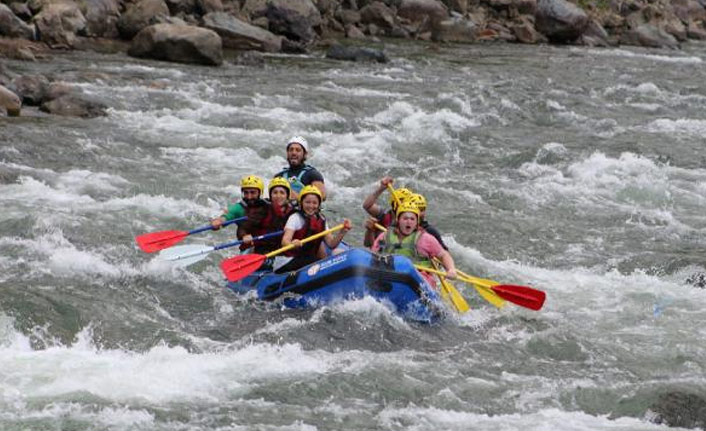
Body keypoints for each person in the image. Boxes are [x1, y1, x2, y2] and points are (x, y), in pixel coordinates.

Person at [371, 202, 457, 288]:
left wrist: (451, 269)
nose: (409, 222)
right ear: (398, 220)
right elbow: (373, 255)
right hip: (391, 277)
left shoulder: (426, 239)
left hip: (417, 280)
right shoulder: (384, 236)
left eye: (412, 219)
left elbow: (444, 255)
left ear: (417, 222)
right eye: (405, 218)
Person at [277, 185, 352, 273]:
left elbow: (331, 244)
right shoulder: (295, 218)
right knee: (315, 261)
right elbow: (285, 241)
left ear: (319, 204)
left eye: (314, 203)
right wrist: (292, 243)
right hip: (289, 260)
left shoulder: (321, 219)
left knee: (316, 260)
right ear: (301, 203)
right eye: (307, 202)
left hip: (307, 259)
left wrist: (342, 232)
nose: (311, 206)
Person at [361, 176, 412, 246]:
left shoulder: (412, 221)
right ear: (394, 204)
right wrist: (381, 189)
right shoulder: (383, 215)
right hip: (379, 250)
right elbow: (367, 206)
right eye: (403, 203)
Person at [274, 136, 326, 200]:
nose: (294, 153)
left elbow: (321, 198)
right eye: (291, 150)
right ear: (287, 153)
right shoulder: (279, 176)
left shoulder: (313, 175)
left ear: (305, 154)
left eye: (298, 150)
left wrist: (296, 197)